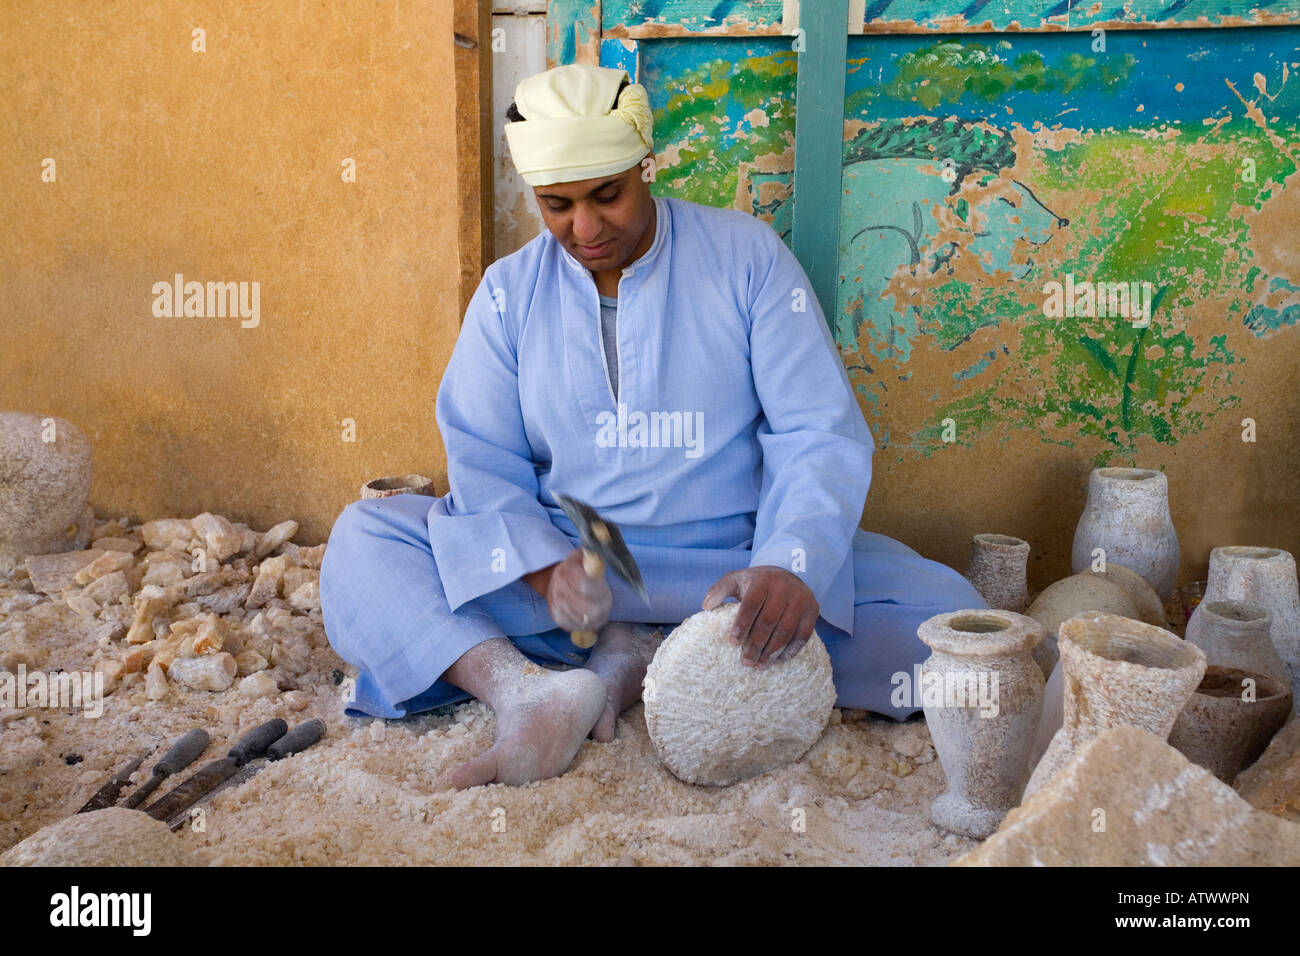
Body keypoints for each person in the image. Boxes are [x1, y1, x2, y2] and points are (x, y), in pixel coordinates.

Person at [320, 63, 986, 789]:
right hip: (569, 578)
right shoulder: (509, 292)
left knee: (954, 621)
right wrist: (545, 569)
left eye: (607, 195)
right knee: (367, 540)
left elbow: (816, 432)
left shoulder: (746, 257)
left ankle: (633, 654)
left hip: (725, 576)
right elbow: (484, 456)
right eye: (557, 205)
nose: (585, 227)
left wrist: (788, 566)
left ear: (646, 164)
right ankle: (527, 690)